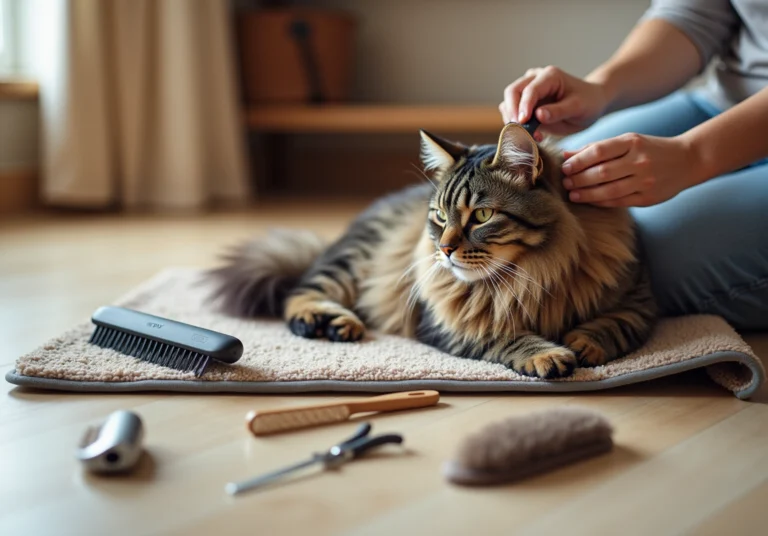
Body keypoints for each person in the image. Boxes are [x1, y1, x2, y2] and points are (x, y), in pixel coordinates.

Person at [499, 0, 768, 330]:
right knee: (559, 188)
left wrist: (693, 155)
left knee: (632, 262)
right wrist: (601, 88)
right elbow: (695, 12)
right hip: (727, 102)